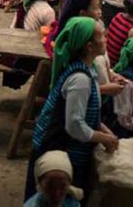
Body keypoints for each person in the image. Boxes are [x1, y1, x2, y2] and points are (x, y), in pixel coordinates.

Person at [26, 17, 118, 200]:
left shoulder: (87, 69)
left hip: (66, 145)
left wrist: (105, 131)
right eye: (101, 36)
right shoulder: (80, 79)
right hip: (60, 148)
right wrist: (104, 138)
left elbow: (86, 114)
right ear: (89, 46)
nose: (106, 39)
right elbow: (74, 125)